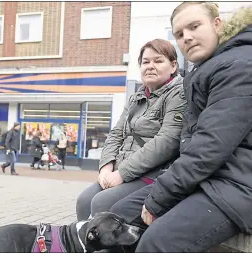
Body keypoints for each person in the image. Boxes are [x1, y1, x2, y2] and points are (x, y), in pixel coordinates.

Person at [109, 3, 252, 252]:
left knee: (158, 242)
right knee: (118, 217)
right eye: (179, 34)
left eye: (194, 26)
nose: (186, 37)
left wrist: (161, 196)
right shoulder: (213, 66)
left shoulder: (243, 65)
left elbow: (210, 146)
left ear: (217, 25)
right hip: (217, 175)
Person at [76, 39, 187, 221]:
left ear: (173, 66)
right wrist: (105, 167)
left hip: (152, 173)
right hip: (120, 168)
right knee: (84, 200)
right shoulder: (136, 97)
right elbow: (116, 134)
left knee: (102, 203)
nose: (150, 67)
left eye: (158, 61)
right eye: (145, 62)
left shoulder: (178, 93)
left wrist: (121, 173)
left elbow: (167, 141)